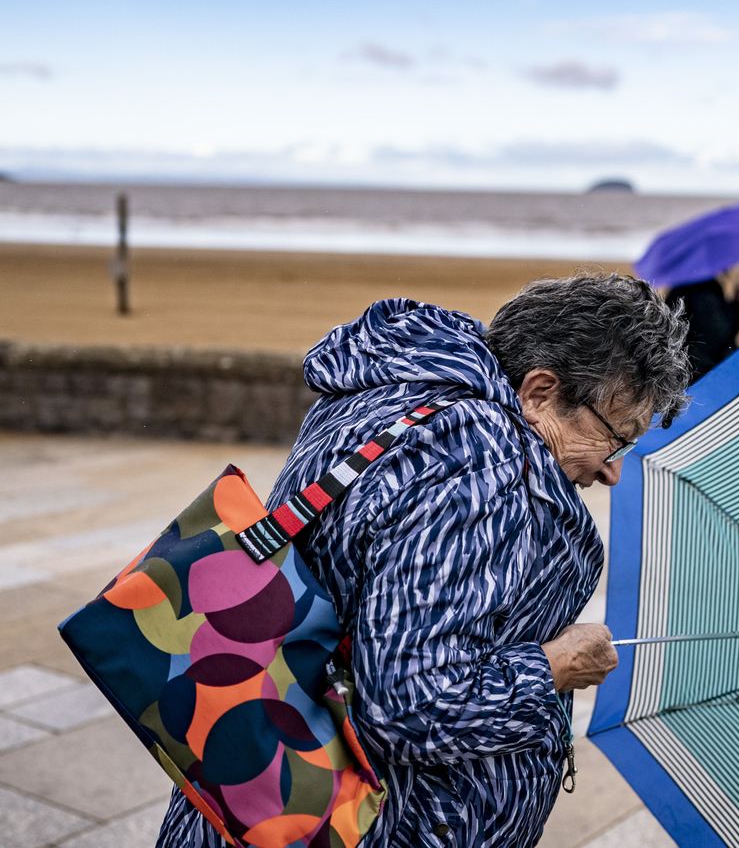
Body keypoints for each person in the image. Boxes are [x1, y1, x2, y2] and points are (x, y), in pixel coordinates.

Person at [156, 273, 691, 848]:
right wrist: (553, 666)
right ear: (539, 392)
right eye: (616, 436)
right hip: (360, 823)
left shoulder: (401, 389)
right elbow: (414, 707)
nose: (612, 469)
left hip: (255, 795)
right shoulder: (475, 464)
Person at [666, 271, 739, 384]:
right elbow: (718, 331)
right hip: (704, 370)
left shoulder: (679, 289)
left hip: (683, 370)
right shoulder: (703, 291)